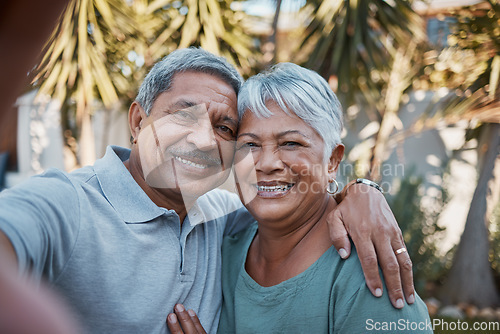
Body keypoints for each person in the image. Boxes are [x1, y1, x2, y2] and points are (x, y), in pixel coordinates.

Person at [1, 48, 413, 333]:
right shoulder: (68, 203)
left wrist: (363, 190)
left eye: (224, 128)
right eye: (183, 114)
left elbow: (298, 201)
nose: (203, 140)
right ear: (138, 120)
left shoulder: (222, 219)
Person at [167, 63, 431, 334]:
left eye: (290, 143)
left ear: (332, 161)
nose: (267, 163)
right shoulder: (223, 247)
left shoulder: (365, 270)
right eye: (250, 145)